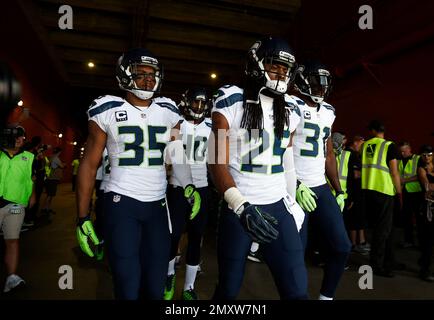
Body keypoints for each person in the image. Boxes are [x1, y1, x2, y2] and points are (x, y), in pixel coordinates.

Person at [75, 48, 201, 300]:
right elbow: (89, 164)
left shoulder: (168, 109)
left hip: (157, 205)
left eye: (152, 74)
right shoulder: (107, 108)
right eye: (140, 73)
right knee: (127, 284)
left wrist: (188, 185)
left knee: (155, 287)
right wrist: (82, 216)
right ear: (124, 75)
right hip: (121, 202)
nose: (148, 79)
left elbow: (177, 153)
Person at [209, 36, 308, 300]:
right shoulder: (231, 100)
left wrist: (291, 197)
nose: (281, 73)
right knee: (228, 289)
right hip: (239, 206)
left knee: (297, 292)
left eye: (286, 69)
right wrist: (240, 205)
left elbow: (286, 159)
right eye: (275, 65)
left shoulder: (292, 108)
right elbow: (216, 161)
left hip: (278, 205)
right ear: (256, 64)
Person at [291, 60, 351, 300]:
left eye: (324, 84)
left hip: (319, 186)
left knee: (342, 246)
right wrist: (293, 184)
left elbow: (328, 154)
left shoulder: (328, 111)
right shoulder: (291, 106)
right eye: (317, 83)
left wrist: (339, 190)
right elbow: (281, 149)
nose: (321, 88)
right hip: (295, 186)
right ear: (303, 82)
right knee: (297, 252)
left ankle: (325, 298)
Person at [164, 87, 211, 300]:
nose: (199, 108)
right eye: (195, 103)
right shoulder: (177, 124)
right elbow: (168, 158)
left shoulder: (212, 126)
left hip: (202, 186)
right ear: (186, 102)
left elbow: (218, 160)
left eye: (202, 104)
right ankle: (169, 274)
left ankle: (189, 287)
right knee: (173, 236)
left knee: (196, 237)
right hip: (177, 188)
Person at [361, 120, 402, 277]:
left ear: (372, 130)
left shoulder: (365, 146)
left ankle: (389, 260)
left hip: (368, 190)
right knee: (382, 230)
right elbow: (394, 172)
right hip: (384, 190)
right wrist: (399, 193)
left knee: (385, 229)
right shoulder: (389, 146)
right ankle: (376, 265)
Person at [0, 126, 35, 292]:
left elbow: (30, 178)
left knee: (12, 240)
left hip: (15, 204)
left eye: (23, 137)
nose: (22, 140)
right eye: (18, 137)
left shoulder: (28, 157)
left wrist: (32, 194)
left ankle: (11, 277)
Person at [398, 141, 423, 248]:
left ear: (410, 149)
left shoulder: (418, 159)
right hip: (405, 193)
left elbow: (421, 175)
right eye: (401, 151)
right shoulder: (399, 161)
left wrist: (405, 180)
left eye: (404, 151)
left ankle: (422, 243)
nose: (403, 153)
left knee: (420, 219)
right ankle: (409, 241)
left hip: (417, 192)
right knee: (406, 218)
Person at [415, 145, 434, 281]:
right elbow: (428, 189)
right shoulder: (421, 169)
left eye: (429, 154)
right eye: (424, 155)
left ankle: (424, 263)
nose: (426, 157)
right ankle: (425, 271)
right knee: (428, 240)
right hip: (428, 208)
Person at [41, 147, 65, 218]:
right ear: (59, 152)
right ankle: (45, 208)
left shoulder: (50, 157)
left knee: (49, 194)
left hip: (49, 178)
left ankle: (46, 207)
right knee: (50, 195)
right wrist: (64, 164)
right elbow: (62, 166)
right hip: (53, 178)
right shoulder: (56, 158)